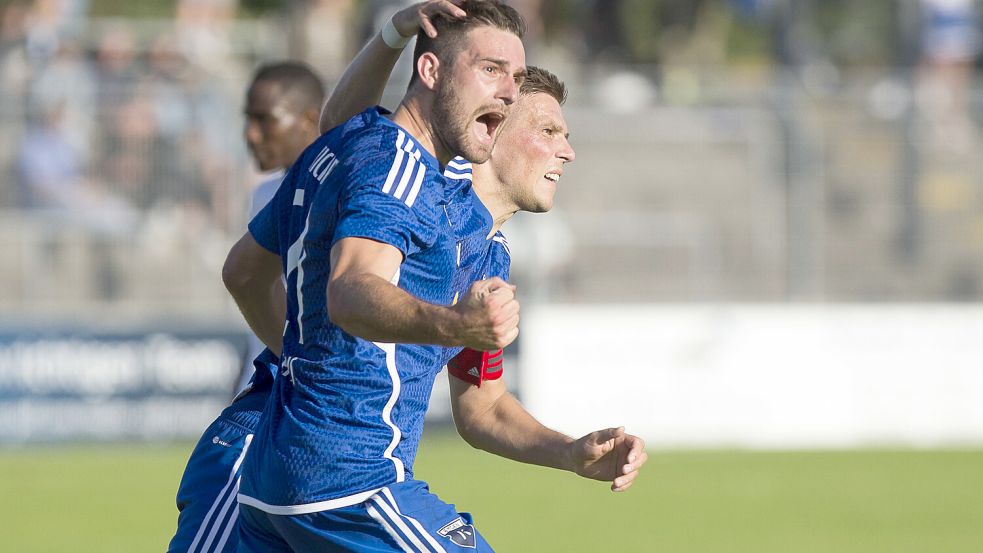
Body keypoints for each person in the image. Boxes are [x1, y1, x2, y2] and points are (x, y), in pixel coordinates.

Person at [318, 0, 647, 522]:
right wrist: (395, 32)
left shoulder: (489, 256)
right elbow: (342, 129)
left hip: (348, 473)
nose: (567, 153)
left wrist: (569, 452)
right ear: (491, 126)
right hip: (320, 464)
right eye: (549, 132)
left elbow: (482, 405)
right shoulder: (422, 182)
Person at [223, 1, 527, 551]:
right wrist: (457, 324)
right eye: (491, 69)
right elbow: (350, 291)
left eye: (519, 78)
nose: (510, 91)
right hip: (347, 474)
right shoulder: (398, 165)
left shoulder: (358, 147)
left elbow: (242, 272)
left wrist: (393, 31)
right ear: (431, 71)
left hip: (275, 465)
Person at [166, 61, 324, 553]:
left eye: (264, 119)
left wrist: (306, 371)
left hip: (284, 414)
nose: (250, 134)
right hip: (276, 400)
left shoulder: (345, 194)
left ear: (309, 120)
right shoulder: (265, 192)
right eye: (246, 119)